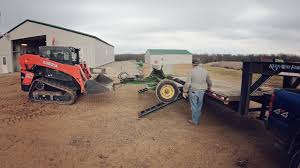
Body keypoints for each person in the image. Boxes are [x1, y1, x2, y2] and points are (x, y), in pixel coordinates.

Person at [183, 60, 212, 125]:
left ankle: (194, 121)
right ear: (198, 64)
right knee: (199, 107)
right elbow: (209, 82)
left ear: (193, 64)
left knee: (194, 106)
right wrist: (209, 88)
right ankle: (197, 120)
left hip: (193, 91)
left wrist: (185, 91)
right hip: (202, 91)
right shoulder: (205, 71)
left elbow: (188, 83)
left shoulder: (191, 71)